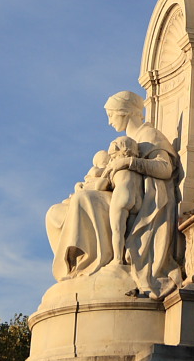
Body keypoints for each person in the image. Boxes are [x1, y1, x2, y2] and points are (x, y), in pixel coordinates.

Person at [45, 91, 181, 298]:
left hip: (141, 202)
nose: (109, 122)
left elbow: (165, 169)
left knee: (84, 201)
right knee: (55, 213)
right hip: (116, 192)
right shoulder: (125, 141)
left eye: (111, 115)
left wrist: (129, 162)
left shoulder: (149, 136)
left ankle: (103, 260)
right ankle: (77, 269)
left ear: (125, 112)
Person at [101, 136, 146, 267]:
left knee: (118, 230)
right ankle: (131, 260)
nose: (112, 158)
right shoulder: (135, 163)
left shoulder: (116, 164)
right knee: (130, 233)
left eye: (113, 155)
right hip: (138, 198)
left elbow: (102, 184)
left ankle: (118, 259)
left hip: (122, 194)